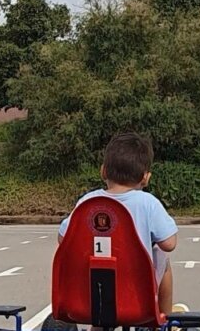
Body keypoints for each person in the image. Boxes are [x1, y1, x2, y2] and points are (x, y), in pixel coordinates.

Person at [57, 133, 180, 315]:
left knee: (99, 275)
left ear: (103, 171)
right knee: (162, 256)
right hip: (136, 295)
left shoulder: (88, 202)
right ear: (145, 178)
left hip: (92, 293)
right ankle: (164, 317)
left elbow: (63, 239)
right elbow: (169, 244)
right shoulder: (148, 203)